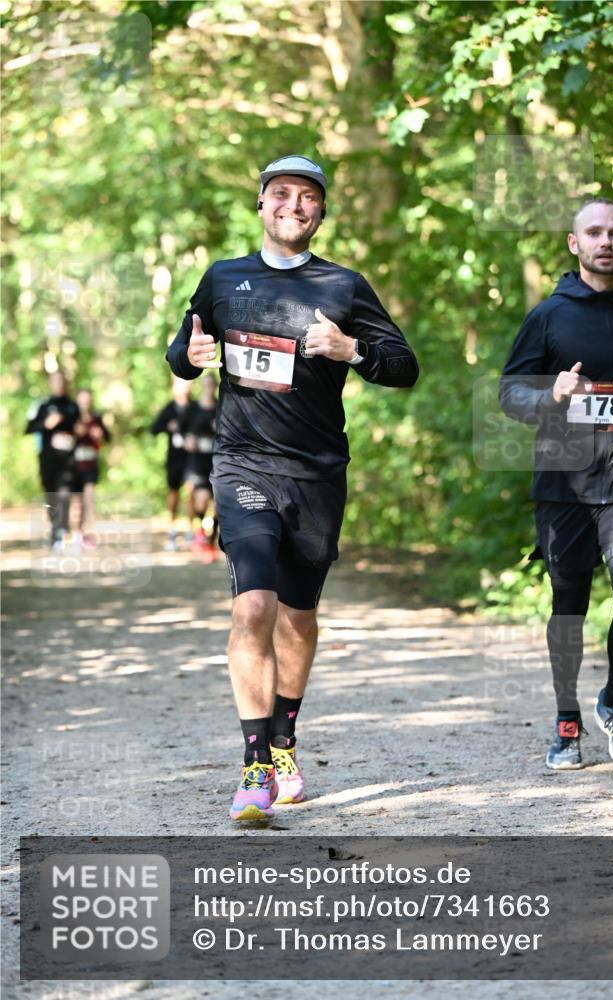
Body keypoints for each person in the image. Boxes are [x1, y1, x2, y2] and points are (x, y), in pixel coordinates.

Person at [167, 154, 419, 821]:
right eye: (280, 193)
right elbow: (182, 349)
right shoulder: (223, 279)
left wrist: (351, 352)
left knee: (299, 616)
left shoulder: (344, 287)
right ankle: (253, 767)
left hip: (315, 474)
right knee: (253, 606)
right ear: (260, 203)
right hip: (242, 464)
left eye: (307, 197)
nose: (293, 205)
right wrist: (187, 360)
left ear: (321, 212)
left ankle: (284, 738)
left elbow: (402, 367)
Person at [500, 197, 613, 770]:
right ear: (574, 244)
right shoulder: (548, 316)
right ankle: (566, 719)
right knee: (568, 604)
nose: (606, 241)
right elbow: (508, 395)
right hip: (563, 485)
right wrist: (550, 395)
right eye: (593, 232)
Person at [25, 371, 80, 549]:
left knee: (64, 494)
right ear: (50, 384)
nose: (58, 384)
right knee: (50, 495)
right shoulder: (43, 406)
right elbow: (29, 427)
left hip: (68, 461)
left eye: (61, 380)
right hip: (48, 460)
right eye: (55, 381)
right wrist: (46, 424)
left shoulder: (72, 406)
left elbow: (81, 427)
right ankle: (54, 528)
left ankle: (61, 530)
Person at [151, 377, 197, 550]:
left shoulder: (195, 407)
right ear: (174, 386)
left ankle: (190, 533)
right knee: (174, 494)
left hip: (192, 459)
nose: (185, 386)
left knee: (191, 490)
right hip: (174, 458)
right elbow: (154, 428)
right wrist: (167, 426)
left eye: (188, 383)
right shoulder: (170, 408)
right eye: (181, 383)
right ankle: (172, 530)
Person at [183, 373, 219, 563]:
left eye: (211, 384)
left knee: (219, 507)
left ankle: (211, 544)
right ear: (201, 386)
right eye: (205, 384)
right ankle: (199, 533)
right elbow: (181, 430)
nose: (208, 387)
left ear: (215, 386)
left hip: (217, 462)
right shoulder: (193, 409)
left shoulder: (221, 407)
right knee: (202, 500)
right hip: (197, 463)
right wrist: (188, 441)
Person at [71, 388, 111, 548]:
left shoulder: (96, 418)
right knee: (76, 501)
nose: (85, 403)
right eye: (82, 400)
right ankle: (76, 535)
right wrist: (75, 433)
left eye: (88, 400)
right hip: (73, 465)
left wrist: (100, 434)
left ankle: (87, 534)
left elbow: (108, 436)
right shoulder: (72, 418)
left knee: (89, 498)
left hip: (91, 464)